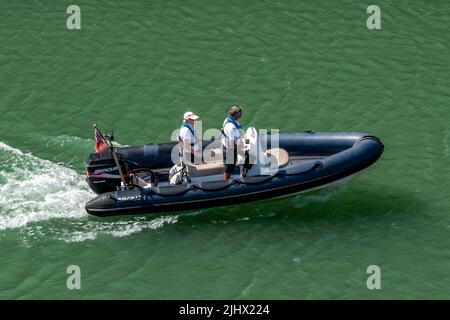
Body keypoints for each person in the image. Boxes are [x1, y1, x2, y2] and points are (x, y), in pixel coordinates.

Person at [221, 105, 244, 180]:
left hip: (226, 144)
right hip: (230, 149)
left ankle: (228, 177)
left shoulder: (228, 119)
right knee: (229, 167)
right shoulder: (232, 127)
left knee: (229, 165)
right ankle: (226, 181)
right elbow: (231, 144)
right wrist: (241, 147)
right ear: (237, 115)